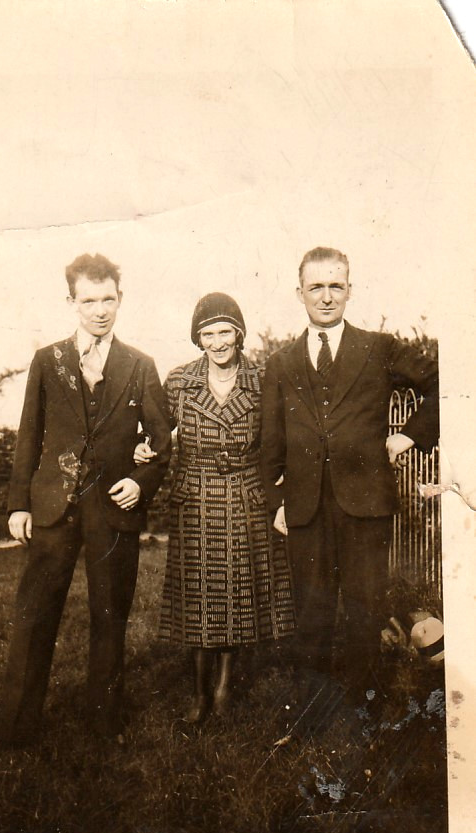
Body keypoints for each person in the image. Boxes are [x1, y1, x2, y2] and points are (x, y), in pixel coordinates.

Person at [0, 253, 171, 748]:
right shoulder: (47, 360)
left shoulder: (139, 365)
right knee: (34, 617)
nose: (99, 310)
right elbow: (28, 434)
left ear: (121, 299)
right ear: (70, 301)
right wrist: (18, 504)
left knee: (109, 616)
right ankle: (14, 731)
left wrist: (142, 480)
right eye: (88, 300)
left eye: (108, 300)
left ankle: (103, 727)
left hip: (114, 510)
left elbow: (162, 441)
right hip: (53, 506)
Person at [260, 246, 439, 706]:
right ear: (299, 292)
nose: (325, 297)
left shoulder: (378, 348)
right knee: (312, 614)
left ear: (349, 291)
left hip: (366, 506)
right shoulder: (280, 363)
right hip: (305, 507)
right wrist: (276, 500)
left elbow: (445, 382)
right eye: (316, 287)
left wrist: (410, 437)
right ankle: (316, 713)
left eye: (335, 286)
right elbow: (271, 442)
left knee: (365, 612)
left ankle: (364, 707)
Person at [138, 293, 295, 723]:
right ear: (198, 339)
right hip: (197, 494)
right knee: (199, 594)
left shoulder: (264, 379)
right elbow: (157, 429)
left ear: (240, 334)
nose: (218, 342)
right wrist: (142, 445)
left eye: (225, 331)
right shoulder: (179, 381)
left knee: (236, 594)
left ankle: (224, 689)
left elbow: (281, 437)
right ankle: (198, 695)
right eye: (208, 334)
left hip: (246, 493)